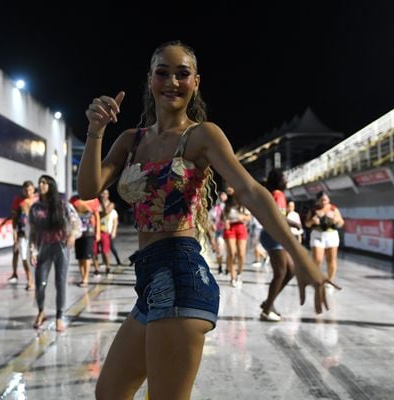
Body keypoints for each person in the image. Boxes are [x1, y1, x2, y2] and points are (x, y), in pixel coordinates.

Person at [77, 40, 331, 399]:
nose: (172, 81)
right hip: (148, 280)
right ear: (149, 80)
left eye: (183, 74)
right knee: (111, 391)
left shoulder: (201, 136)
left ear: (196, 81)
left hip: (180, 275)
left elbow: (250, 190)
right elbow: (88, 188)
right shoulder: (130, 141)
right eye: (162, 72)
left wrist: (300, 255)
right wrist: (96, 131)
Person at [28, 175, 82, 332]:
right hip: (43, 248)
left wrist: (72, 235)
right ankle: (41, 312)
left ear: (51, 185)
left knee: (60, 282)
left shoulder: (63, 206)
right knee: (40, 283)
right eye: (40, 182)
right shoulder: (35, 208)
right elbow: (32, 232)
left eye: (44, 182)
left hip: (61, 247)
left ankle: (59, 316)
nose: (41, 184)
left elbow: (76, 223)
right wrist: (32, 251)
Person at [258, 170, 304, 322]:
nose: (286, 180)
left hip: (276, 235)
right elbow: (277, 215)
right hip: (273, 236)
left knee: (290, 271)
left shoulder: (277, 194)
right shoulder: (278, 194)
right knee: (280, 273)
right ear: (278, 181)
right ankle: (266, 310)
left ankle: (268, 302)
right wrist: (293, 223)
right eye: (284, 178)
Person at [305, 191, 344, 285]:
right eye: (321, 200)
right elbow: (307, 224)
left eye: (325, 200)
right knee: (317, 259)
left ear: (328, 200)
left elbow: (341, 222)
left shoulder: (333, 209)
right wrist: (312, 222)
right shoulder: (313, 210)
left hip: (331, 235)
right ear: (318, 201)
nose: (324, 202)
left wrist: (336, 220)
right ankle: (316, 278)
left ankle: (330, 280)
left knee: (331, 259)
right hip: (318, 235)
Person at [6, 181, 37, 290]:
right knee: (24, 258)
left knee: (35, 258)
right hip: (23, 234)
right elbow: (14, 221)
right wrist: (15, 239)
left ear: (33, 189)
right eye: (26, 190)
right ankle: (30, 280)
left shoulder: (39, 201)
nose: (28, 192)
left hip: (37, 235)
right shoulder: (18, 202)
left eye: (30, 189)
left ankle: (34, 279)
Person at [70, 193, 101, 287]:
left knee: (87, 255)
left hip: (89, 231)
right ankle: (82, 275)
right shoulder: (73, 200)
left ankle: (86, 278)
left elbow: (97, 216)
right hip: (77, 230)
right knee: (80, 256)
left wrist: (98, 232)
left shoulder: (94, 200)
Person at [222, 190, 252, 287]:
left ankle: (239, 274)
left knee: (241, 254)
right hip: (230, 228)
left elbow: (249, 217)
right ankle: (232, 277)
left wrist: (242, 216)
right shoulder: (226, 204)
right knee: (232, 253)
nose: (229, 189)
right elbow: (222, 217)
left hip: (240, 227)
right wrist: (225, 221)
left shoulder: (243, 203)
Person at [208, 191, 227, 274]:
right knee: (219, 249)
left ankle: (228, 267)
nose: (222, 196)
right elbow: (209, 219)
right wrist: (212, 224)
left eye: (224, 194)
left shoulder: (231, 207)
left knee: (230, 251)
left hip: (229, 231)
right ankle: (220, 266)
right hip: (219, 232)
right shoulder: (215, 208)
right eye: (221, 195)